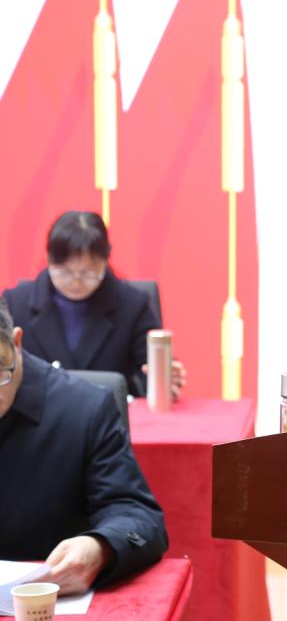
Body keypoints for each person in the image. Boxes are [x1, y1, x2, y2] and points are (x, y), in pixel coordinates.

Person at [0, 298, 168, 593]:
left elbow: (137, 516)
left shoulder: (84, 409)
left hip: (48, 600)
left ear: (16, 342)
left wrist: (100, 547)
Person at [2, 211, 185, 397]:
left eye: (88, 273)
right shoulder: (15, 303)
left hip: (109, 411)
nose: (76, 283)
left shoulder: (133, 306)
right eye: (65, 273)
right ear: (49, 260)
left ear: (105, 262)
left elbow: (147, 373)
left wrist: (164, 380)